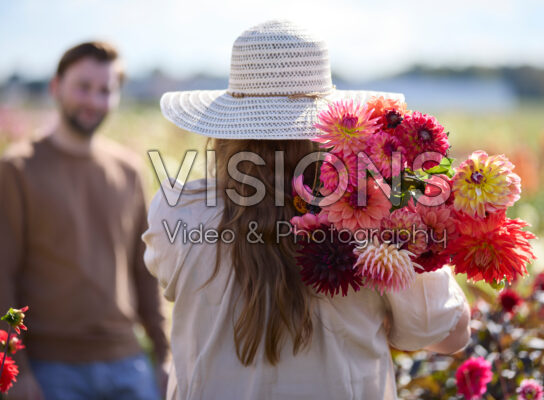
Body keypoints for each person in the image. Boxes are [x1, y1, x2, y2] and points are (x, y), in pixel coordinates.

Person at [143, 20, 470, 400]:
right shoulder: (379, 218)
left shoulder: (178, 213)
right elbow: (447, 334)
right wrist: (412, 208)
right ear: (331, 126)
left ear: (226, 129)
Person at [0, 42, 169, 400]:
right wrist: (15, 366)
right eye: (83, 87)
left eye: (105, 90)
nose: (93, 101)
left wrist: (163, 354)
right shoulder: (16, 169)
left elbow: (144, 271)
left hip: (129, 362)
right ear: (55, 87)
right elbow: (2, 275)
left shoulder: (129, 170)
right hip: (50, 369)